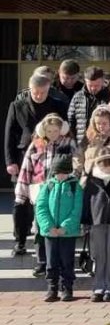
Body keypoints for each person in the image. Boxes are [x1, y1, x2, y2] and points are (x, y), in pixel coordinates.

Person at [5, 73, 69, 257]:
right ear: (29, 89)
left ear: (49, 89)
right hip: (22, 158)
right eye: (35, 92)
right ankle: (20, 240)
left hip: (49, 160)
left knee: (45, 202)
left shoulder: (58, 106)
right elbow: (9, 135)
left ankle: (43, 243)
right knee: (21, 201)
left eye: (43, 92)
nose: (39, 96)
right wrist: (10, 161)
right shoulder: (17, 105)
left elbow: (65, 133)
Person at [16, 114, 75, 277]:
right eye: (49, 131)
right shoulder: (36, 145)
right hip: (41, 190)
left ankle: (60, 261)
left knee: (60, 224)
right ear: (43, 130)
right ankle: (42, 261)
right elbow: (26, 169)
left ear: (62, 130)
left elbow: (77, 164)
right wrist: (21, 195)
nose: (53, 134)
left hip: (62, 191)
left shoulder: (69, 144)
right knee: (41, 226)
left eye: (56, 130)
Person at [81, 147, 110, 303]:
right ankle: (98, 287)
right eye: (104, 163)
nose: (107, 167)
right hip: (97, 220)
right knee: (98, 255)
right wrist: (85, 221)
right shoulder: (91, 178)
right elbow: (86, 201)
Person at [35, 153, 83, 302]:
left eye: (64, 173)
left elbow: (77, 209)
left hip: (67, 233)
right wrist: (48, 226)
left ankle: (67, 288)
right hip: (50, 233)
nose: (60, 176)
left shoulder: (75, 186)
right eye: (58, 173)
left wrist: (65, 226)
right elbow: (41, 207)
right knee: (51, 261)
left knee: (67, 261)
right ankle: (52, 288)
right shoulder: (48, 185)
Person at [67, 66, 110, 145]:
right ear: (85, 81)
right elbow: (71, 120)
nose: (93, 88)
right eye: (90, 85)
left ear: (102, 81)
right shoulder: (77, 97)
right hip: (80, 142)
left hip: (102, 143)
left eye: (97, 85)